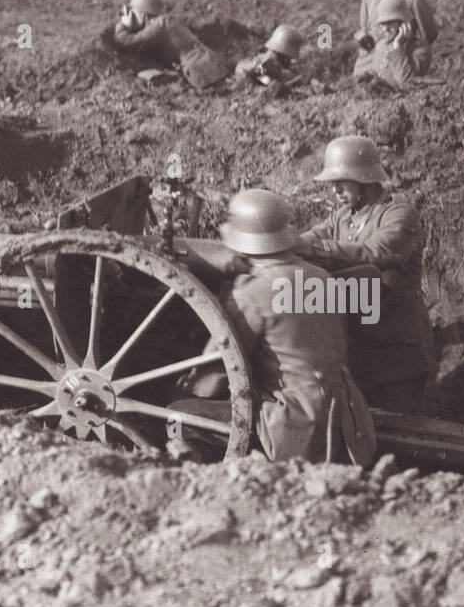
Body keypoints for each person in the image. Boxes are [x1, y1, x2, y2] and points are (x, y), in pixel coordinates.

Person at [169, 190, 375, 464]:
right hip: (345, 419)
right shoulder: (323, 278)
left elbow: (215, 378)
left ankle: (216, 480)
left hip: (291, 425)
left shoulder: (251, 294)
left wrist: (184, 386)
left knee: (177, 415)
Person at [295, 136, 435, 413]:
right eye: (332, 183)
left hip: (396, 349)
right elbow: (310, 239)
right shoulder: (342, 216)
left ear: (366, 178)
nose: (334, 190)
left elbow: (377, 252)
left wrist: (312, 247)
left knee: (399, 432)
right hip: (357, 346)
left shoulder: (397, 214)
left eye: (342, 182)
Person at [109, 0, 228, 88]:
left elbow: (124, 42)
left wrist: (123, 25)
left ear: (143, 14)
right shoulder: (166, 20)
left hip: (199, 73)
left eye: (133, 12)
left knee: (145, 77)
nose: (131, 15)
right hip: (213, 63)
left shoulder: (159, 25)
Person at [354, 0, 438, 80]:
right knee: (361, 84)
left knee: (400, 83)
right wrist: (363, 36)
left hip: (400, 56)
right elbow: (363, 27)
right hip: (371, 58)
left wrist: (407, 45)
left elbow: (430, 35)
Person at [357, 0, 421, 90]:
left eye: (390, 23)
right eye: (382, 24)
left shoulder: (419, 49)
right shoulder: (381, 45)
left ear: (403, 23)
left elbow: (407, 83)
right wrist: (368, 75)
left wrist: (398, 46)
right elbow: (378, 71)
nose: (386, 29)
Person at [234, 25, 304, 87]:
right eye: (289, 56)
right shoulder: (265, 65)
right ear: (284, 53)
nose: (291, 59)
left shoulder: (268, 61)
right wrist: (294, 82)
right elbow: (271, 85)